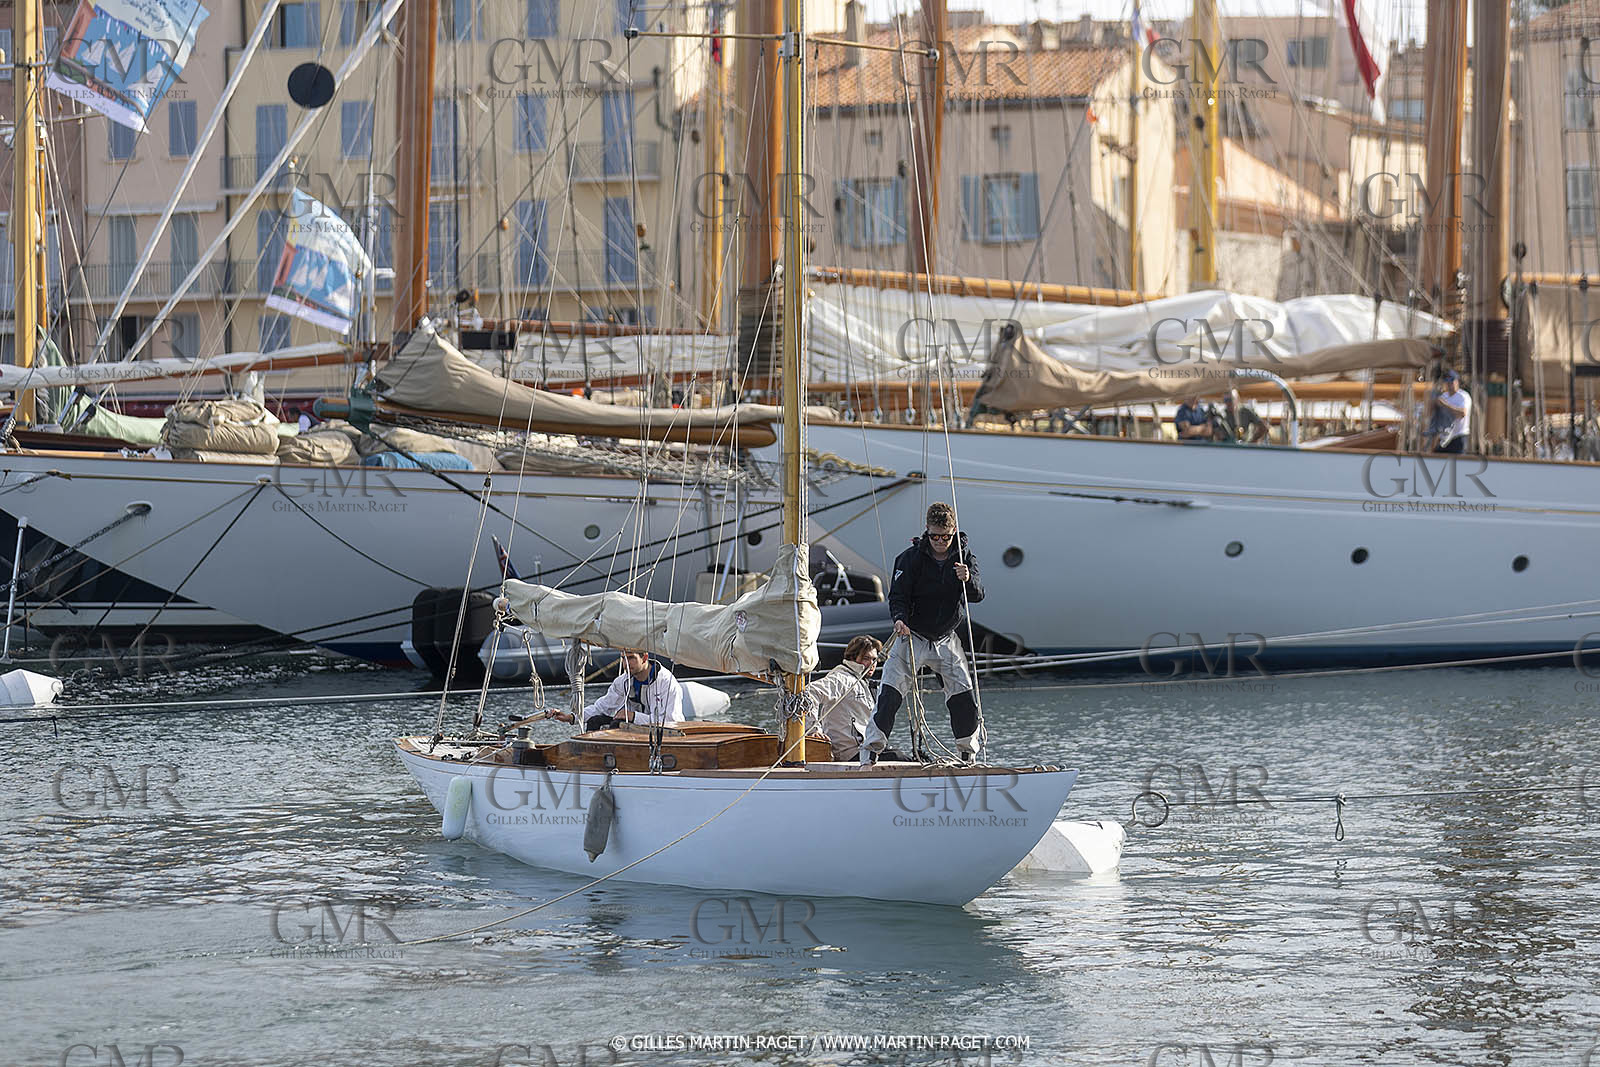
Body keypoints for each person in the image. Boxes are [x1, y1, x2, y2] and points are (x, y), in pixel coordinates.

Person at [863, 502, 985, 764]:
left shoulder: (965, 558)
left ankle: (967, 753)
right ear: (927, 532)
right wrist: (899, 619)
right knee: (890, 692)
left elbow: (977, 595)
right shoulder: (910, 558)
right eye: (934, 536)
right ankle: (870, 751)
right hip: (913, 636)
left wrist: (968, 579)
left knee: (963, 694)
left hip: (946, 637)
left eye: (945, 536)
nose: (940, 542)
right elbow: (898, 596)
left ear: (953, 532)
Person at [552, 649, 684, 731]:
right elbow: (602, 707)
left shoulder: (667, 683)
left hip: (666, 734)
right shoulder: (623, 681)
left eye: (631, 658)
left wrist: (633, 716)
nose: (626, 664)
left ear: (644, 658)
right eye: (623, 658)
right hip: (636, 728)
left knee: (617, 724)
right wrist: (572, 717)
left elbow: (669, 722)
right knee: (595, 721)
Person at [803, 635, 882, 761]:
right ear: (852, 658)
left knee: (902, 756)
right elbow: (810, 692)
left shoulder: (861, 681)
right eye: (866, 658)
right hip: (851, 753)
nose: (872, 664)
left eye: (875, 659)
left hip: (864, 750)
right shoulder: (843, 678)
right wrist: (812, 730)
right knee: (903, 759)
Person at [1432, 371, 1470, 454]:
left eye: (1452, 381)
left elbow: (1462, 413)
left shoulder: (1463, 396)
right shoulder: (1443, 396)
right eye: (1447, 381)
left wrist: (1444, 404)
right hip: (1444, 436)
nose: (1450, 384)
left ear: (1457, 382)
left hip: (1458, 437)